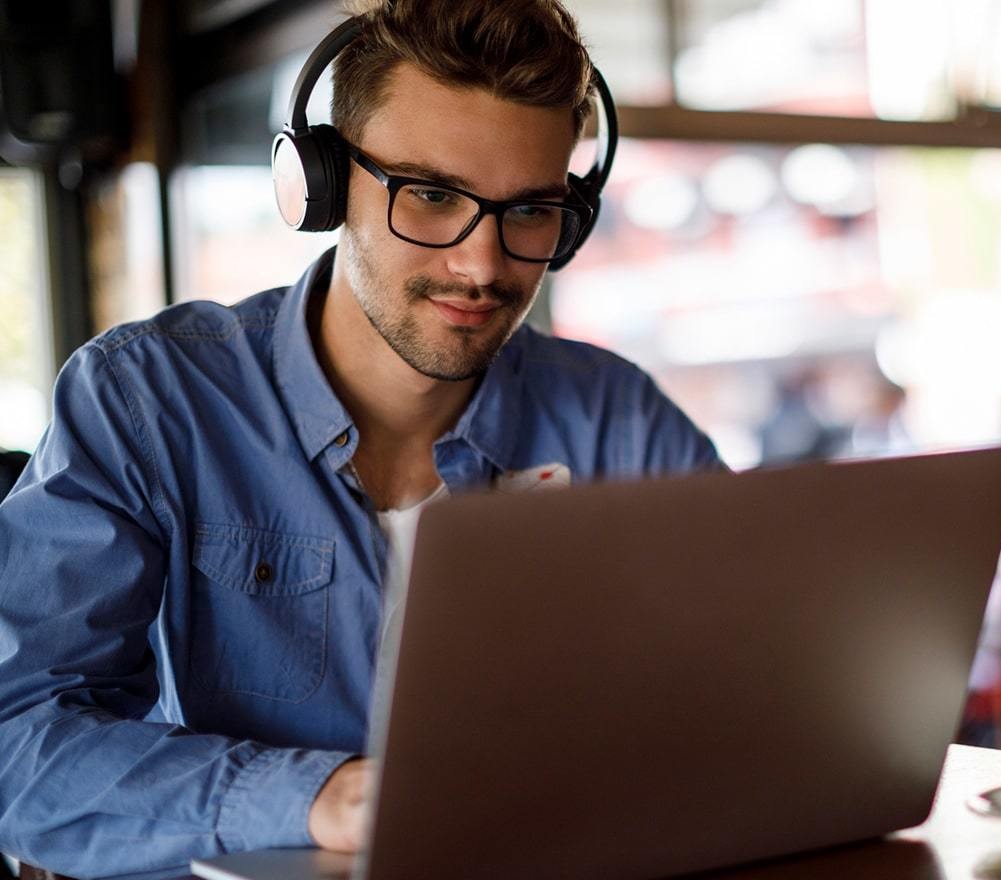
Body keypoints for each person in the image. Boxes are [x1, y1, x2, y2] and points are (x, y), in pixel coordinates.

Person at [0, 2, 721, 877]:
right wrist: (320, 797)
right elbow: (18, 751)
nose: (483, 264)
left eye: (529, 210)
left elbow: (754, 659)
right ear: (325, 186)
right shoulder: (148, 400)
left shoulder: (613, 414)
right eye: (431, 195)